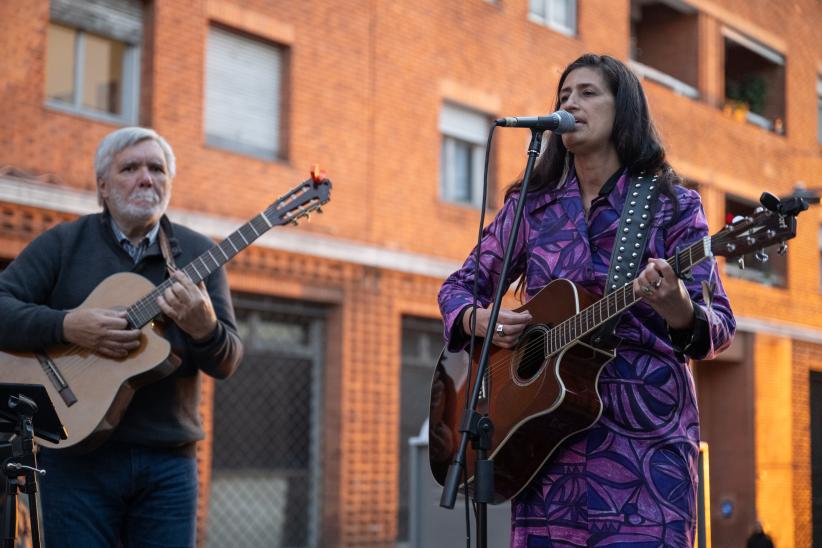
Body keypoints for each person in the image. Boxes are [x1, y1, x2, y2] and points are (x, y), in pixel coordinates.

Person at [438, 54, 735, 547]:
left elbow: (717, 328)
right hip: (544, 457)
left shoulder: (671, 204)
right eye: (563, 95)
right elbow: (459, 287)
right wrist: (478, 317)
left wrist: (676, 305)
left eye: (588, 92)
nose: (570, 102)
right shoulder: (532, 209)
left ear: (625, 110)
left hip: (645, 462)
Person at [0, 127, 243, 547]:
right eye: (130, 168)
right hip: (75, 461)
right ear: (103, 186)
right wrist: (66, 326)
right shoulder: (63, 243)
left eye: (156, 168)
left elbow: (227, 361)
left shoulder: (199, 254)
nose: (145, 178)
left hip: (168, 466)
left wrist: (205, 326)